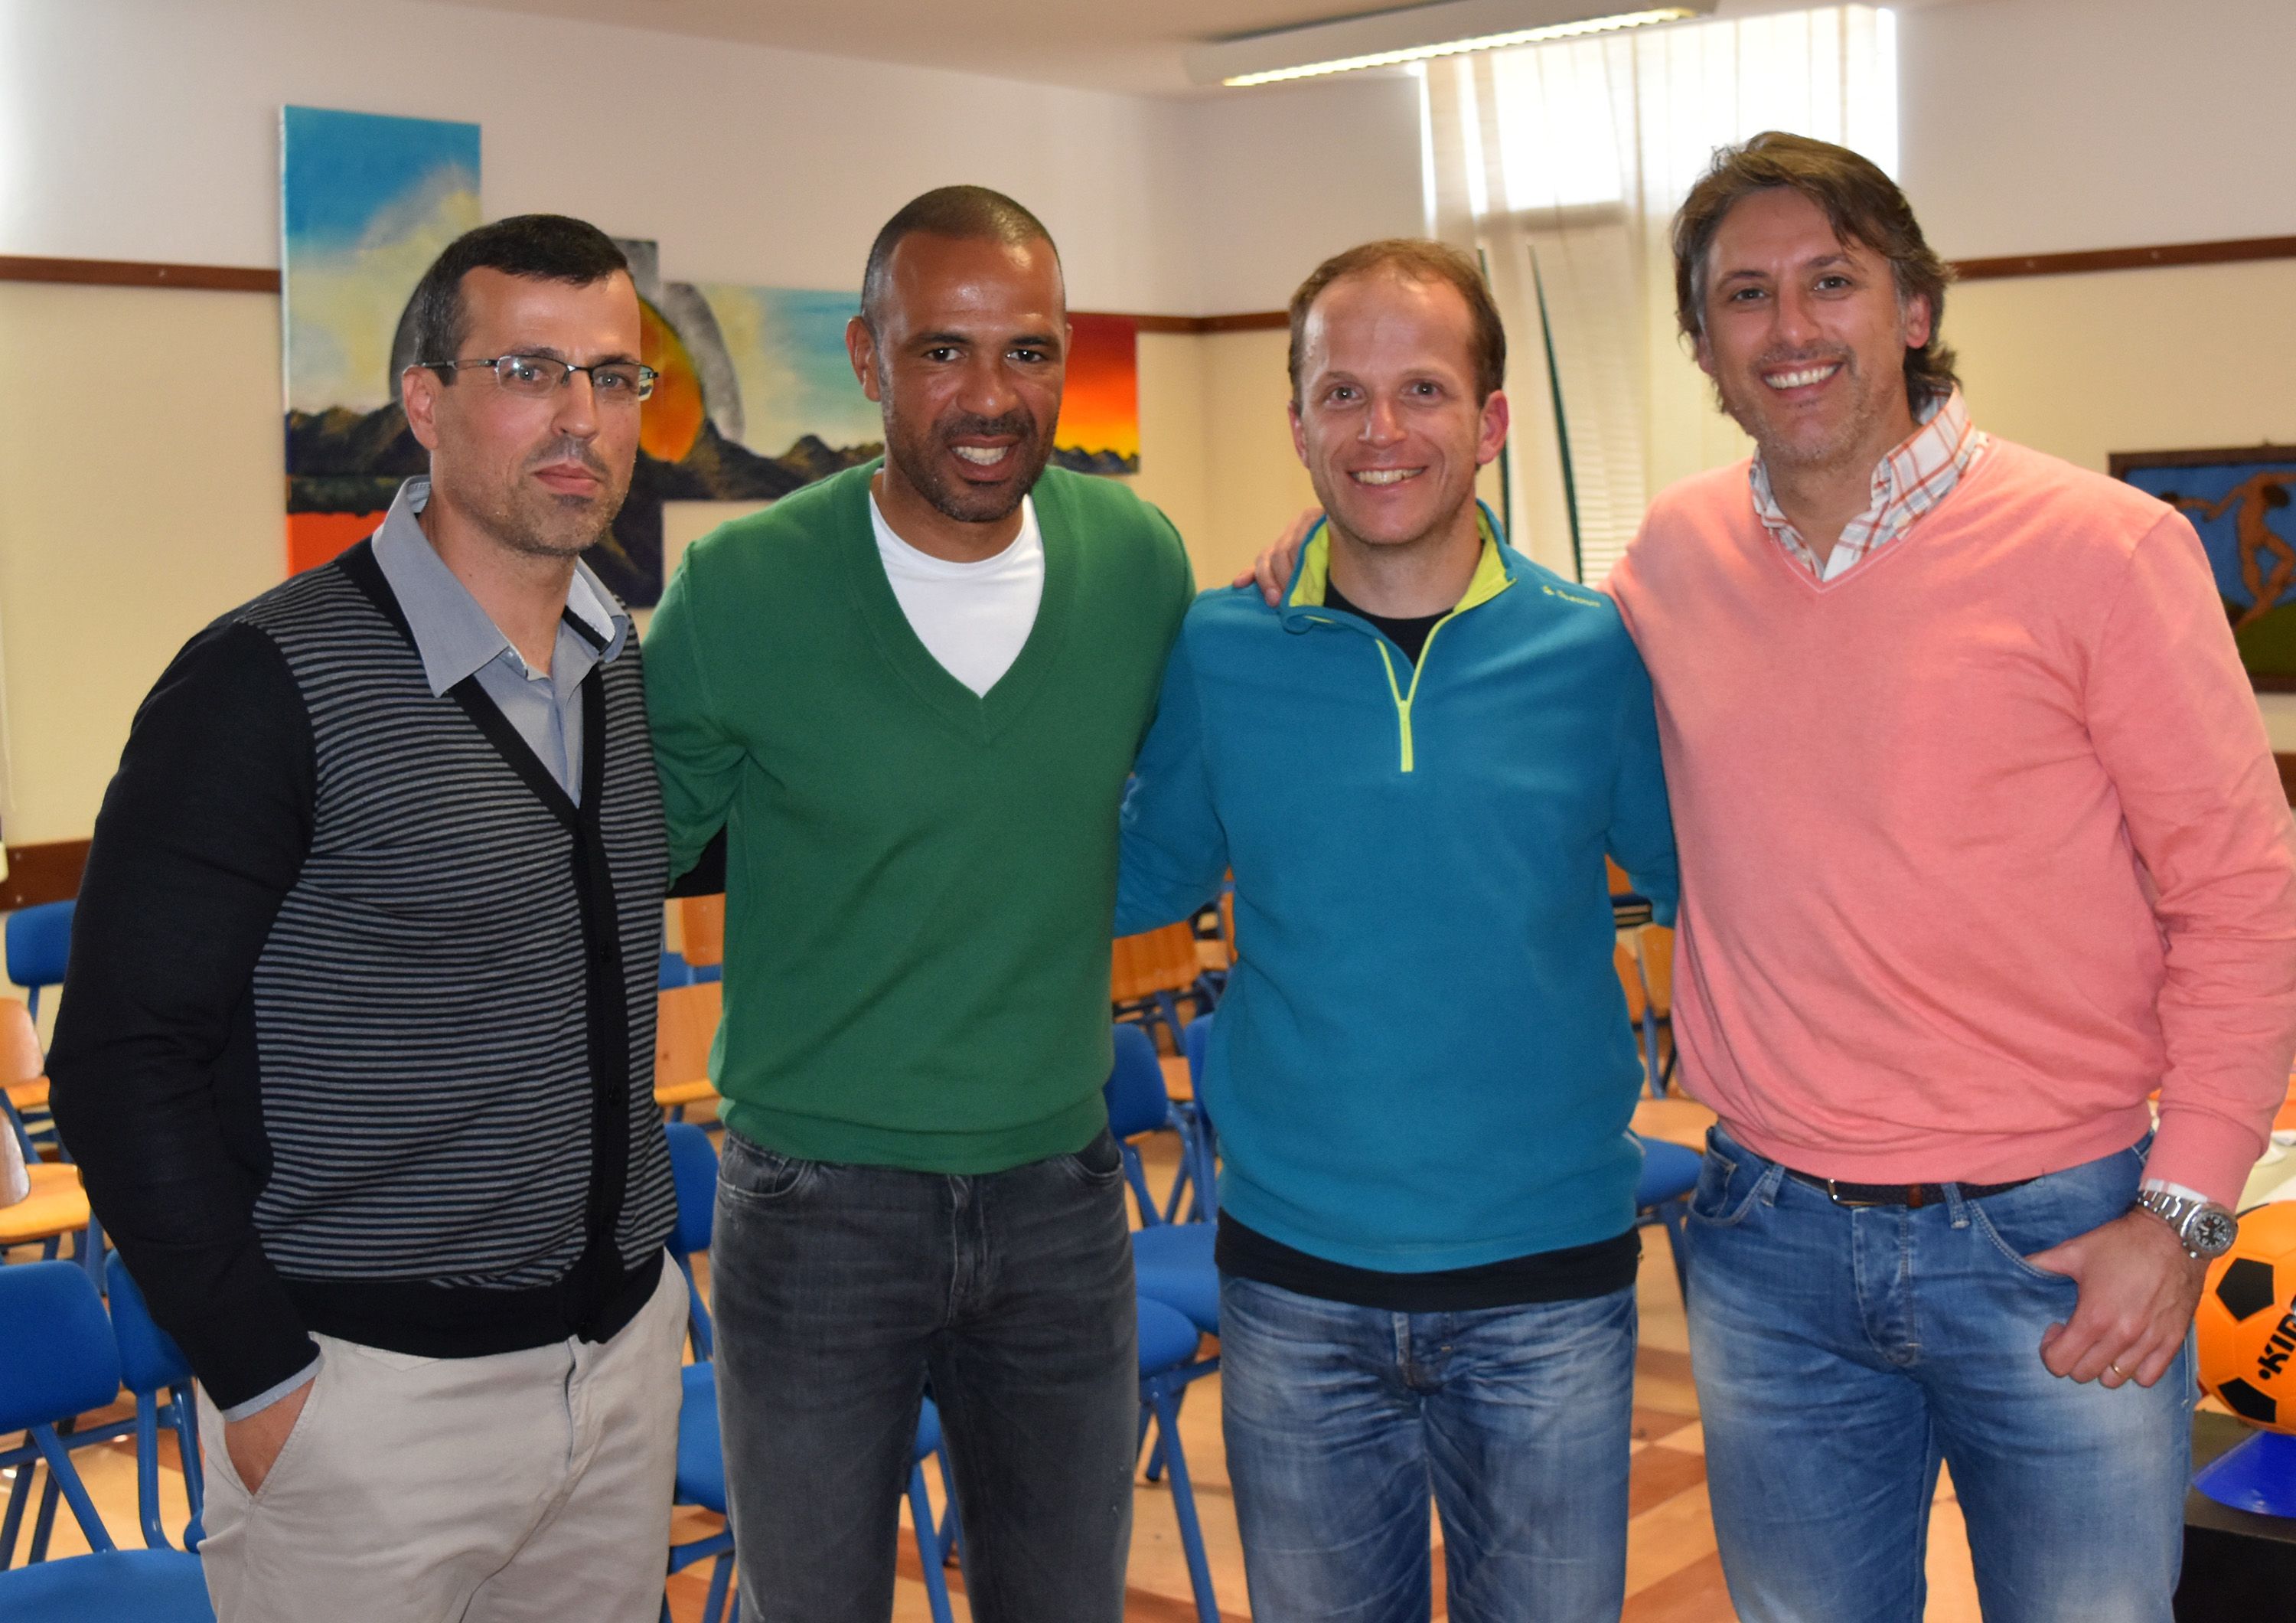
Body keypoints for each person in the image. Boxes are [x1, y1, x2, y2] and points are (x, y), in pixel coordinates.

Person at [1604, 133, 2296, 1620]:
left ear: (1913, 307)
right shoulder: (1670, 556)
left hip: (2061, 1242)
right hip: (1768, 1244)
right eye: (1744, 295)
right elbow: (1505, 647)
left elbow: (2244, 899)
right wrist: (1336, 554)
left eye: (1831, 281)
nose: (1790, 328)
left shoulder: (2110, 550)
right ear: (1704, 346)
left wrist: (2183, 1220)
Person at [48, 214, 686, 1621]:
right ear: (425, 402)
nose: (580, 418)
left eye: (612, 376)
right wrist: (263, 1381)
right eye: (528, 370)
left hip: (618, 1373)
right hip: (369, 1408)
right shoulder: (260, 682)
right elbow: (118, 1061)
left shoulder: (613, 660)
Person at [644, 186, 1195, 1623]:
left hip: (1062, 1197)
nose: (990, 396)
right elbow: (615, 860)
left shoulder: (1138, 565)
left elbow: (1184, 800)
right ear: (867, 358)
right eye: (943, 350)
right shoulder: (742, 587)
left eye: (1028, 351)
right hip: (817, 1211)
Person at [1120, 239, 1675, 1623]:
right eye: (1343, 394)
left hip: (1547, 1282)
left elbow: (1721, 887)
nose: (1381, 430)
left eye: (1422, 389)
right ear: (1298, 424)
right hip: (1294, 1285)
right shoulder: (1219, 649)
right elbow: (1131, 880)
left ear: (1490, 422)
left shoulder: (1598, 650)